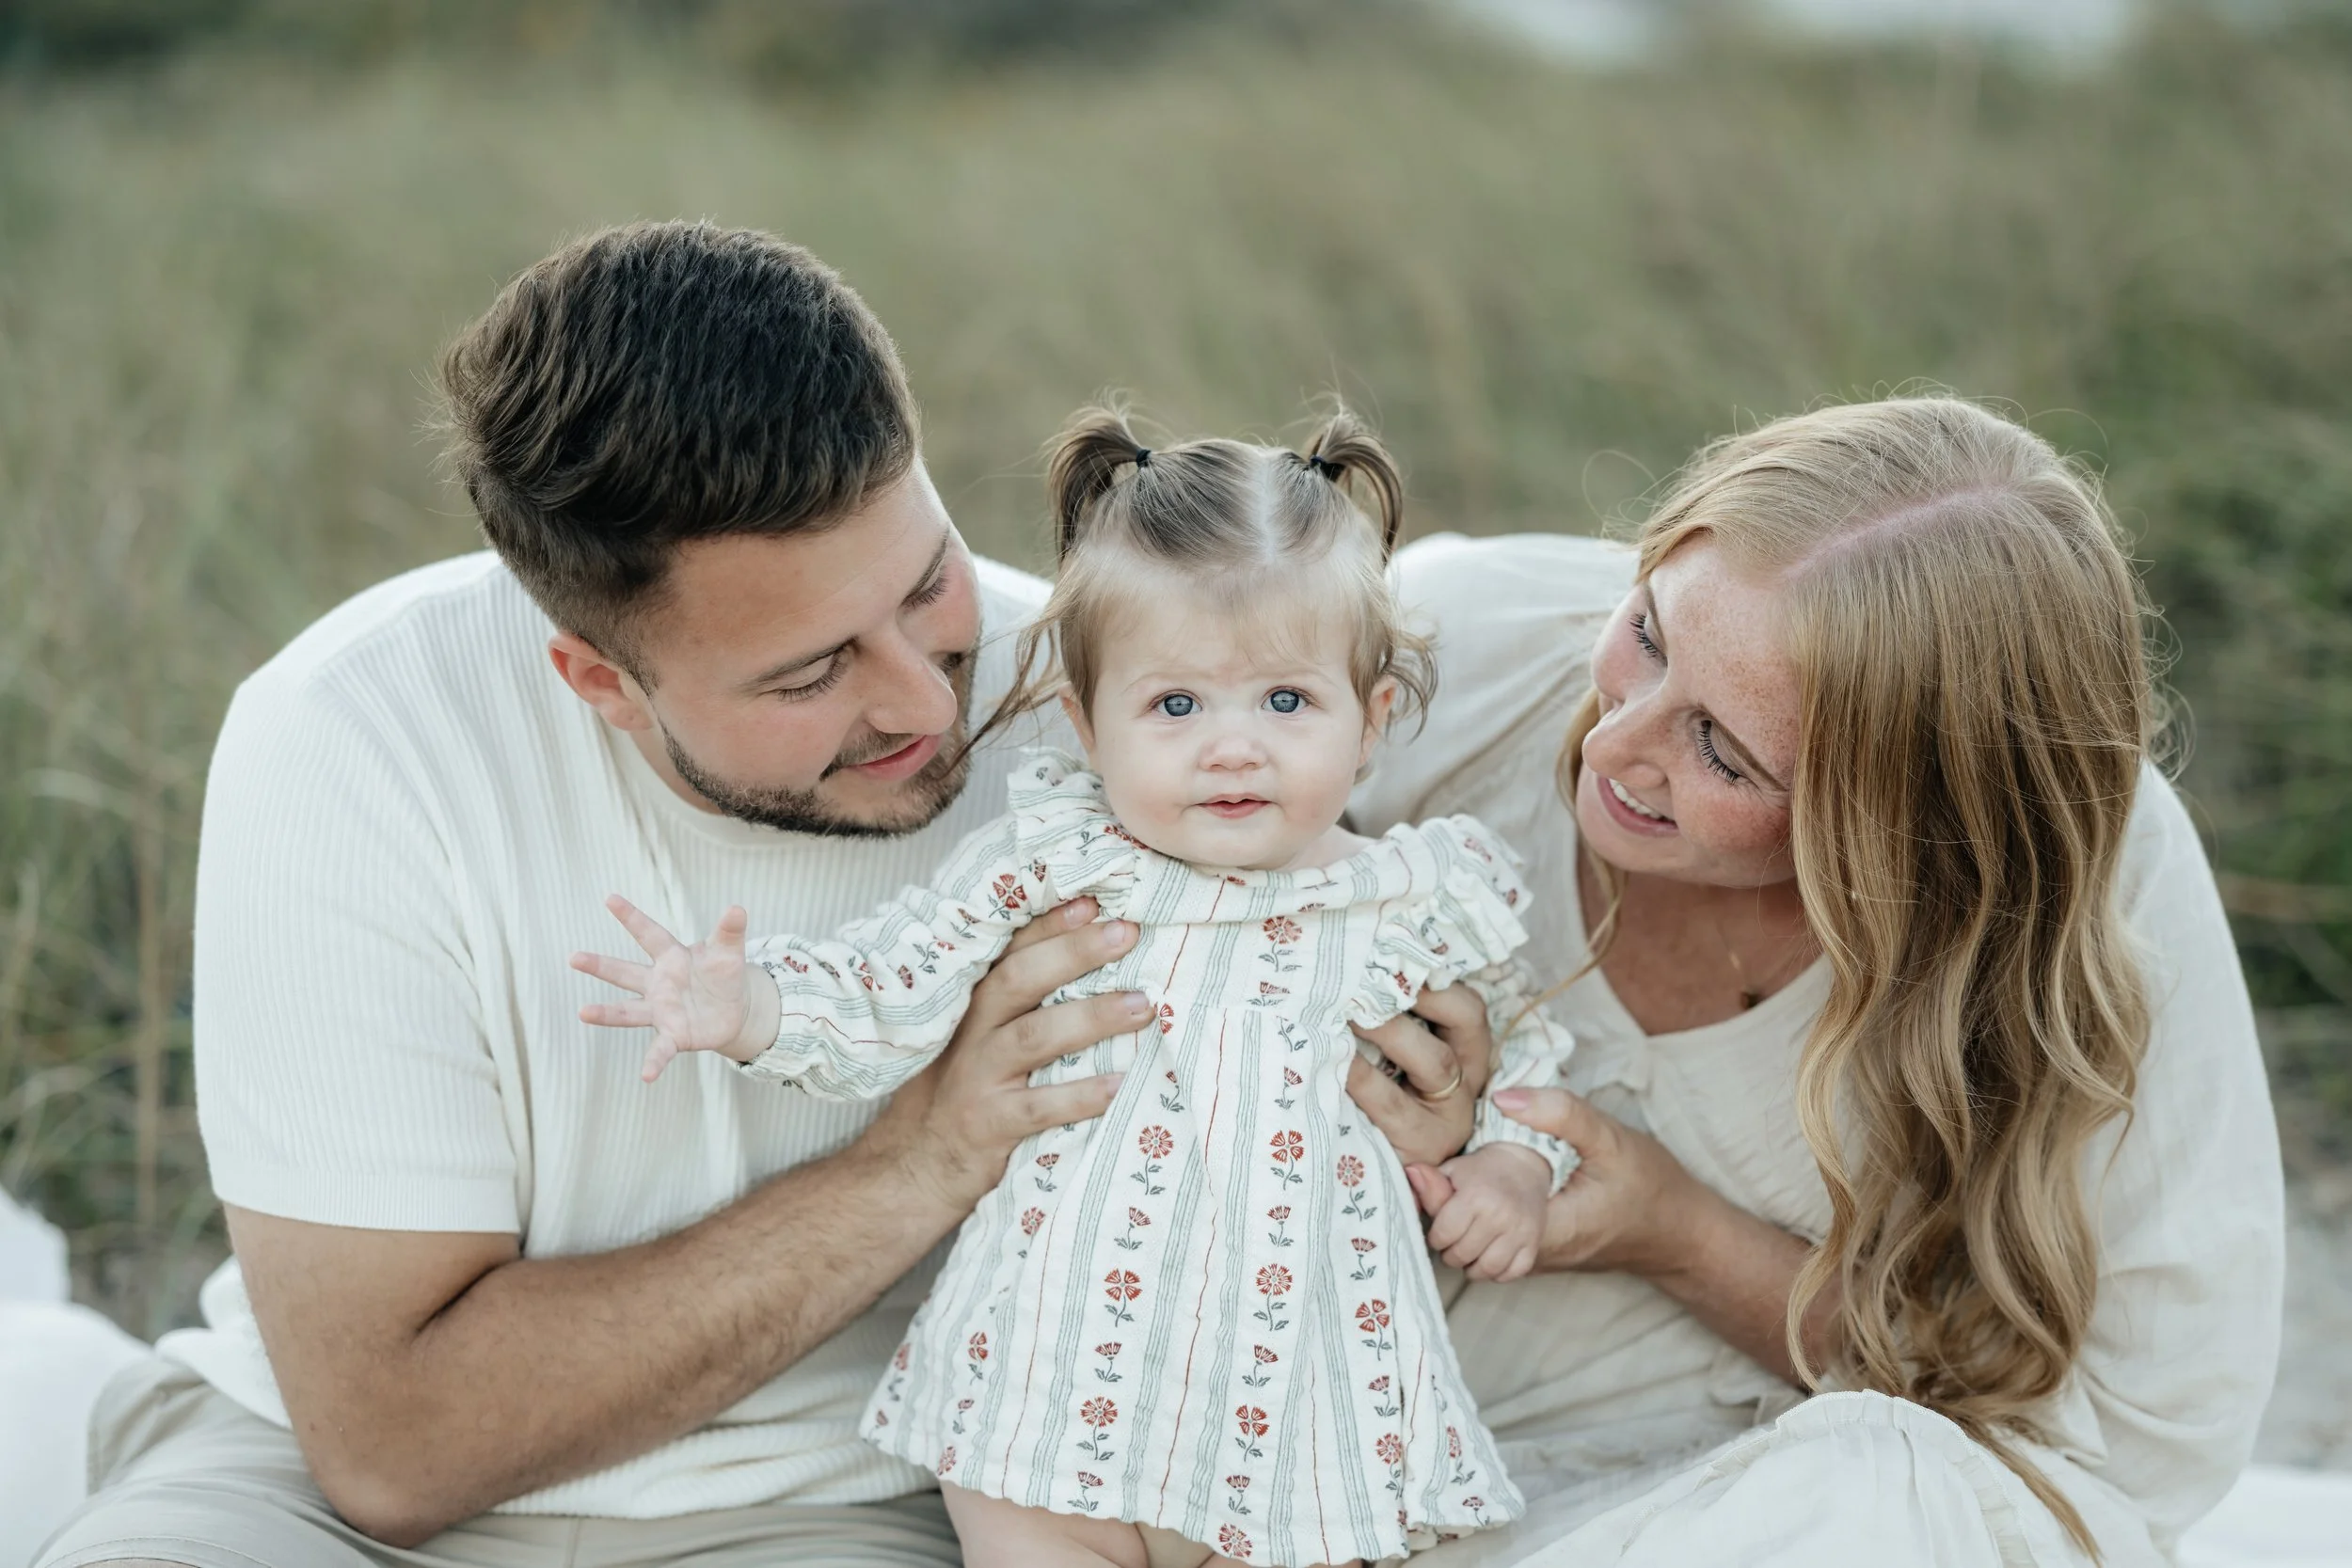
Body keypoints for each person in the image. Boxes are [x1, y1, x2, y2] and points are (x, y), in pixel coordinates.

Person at [33, 224, 1486, 1568]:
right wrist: (921, 1156)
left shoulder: (1117, 712)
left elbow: (1292, 1066)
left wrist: (1423, 1116)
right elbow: (394, 1445)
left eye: (925, 585)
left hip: (833, 1501)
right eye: (808, 674)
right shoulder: (354, 735)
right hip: (310, 1496)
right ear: (598, 678)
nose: (930, 697)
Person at [571, 405, 1580, 1568]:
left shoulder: (1412, 901)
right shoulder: (1055, 864)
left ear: (1374, 719)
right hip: (1051, 1391)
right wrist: (748, 1004)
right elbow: (899, 980)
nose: (1233, 747)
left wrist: (1509, 1161)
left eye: (1288, 701)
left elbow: (1523, 1053)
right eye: (1176, 705)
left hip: (1299, 1418)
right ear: (1087, 726)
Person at [1359, 398, 2285, 1566]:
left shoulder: (2096, 899)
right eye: (1646, 633)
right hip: (1320, 1457)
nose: (1610, 740)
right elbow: (1099, 669)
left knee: (1879, 1498)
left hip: (1722, 1508)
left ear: (1899, 830)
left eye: (1720, 750)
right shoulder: (1476, 638)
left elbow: (2115, 1453)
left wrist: (1678, 1232)